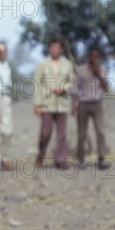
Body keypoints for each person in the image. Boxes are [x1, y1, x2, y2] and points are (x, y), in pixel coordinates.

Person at [34, 36, 76, 168]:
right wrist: (38, 104)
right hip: (47, 103)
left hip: (62, 104)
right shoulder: (43, 64)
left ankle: (61, 160)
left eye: (57, 47)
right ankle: (41, 155)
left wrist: (64, 88)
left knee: (62, 134)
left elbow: (73, 82)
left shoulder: (67, 65)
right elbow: (37, 84)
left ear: (61, 49)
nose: (54, 50)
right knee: (45, 133)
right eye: (52, 47)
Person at [73, 49, 109, 170]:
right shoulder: (81, 69)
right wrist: (74, 105)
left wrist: (100, 75)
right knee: (82, 134)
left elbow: (106, 88)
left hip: (97, 104)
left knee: (101, 132)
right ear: (89, 56)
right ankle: (81, 160)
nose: (94, 58)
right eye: (92, 56)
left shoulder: (102, 69)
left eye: (97, 56)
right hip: (83, 103)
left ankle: (101, 159)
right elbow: (75, 88)